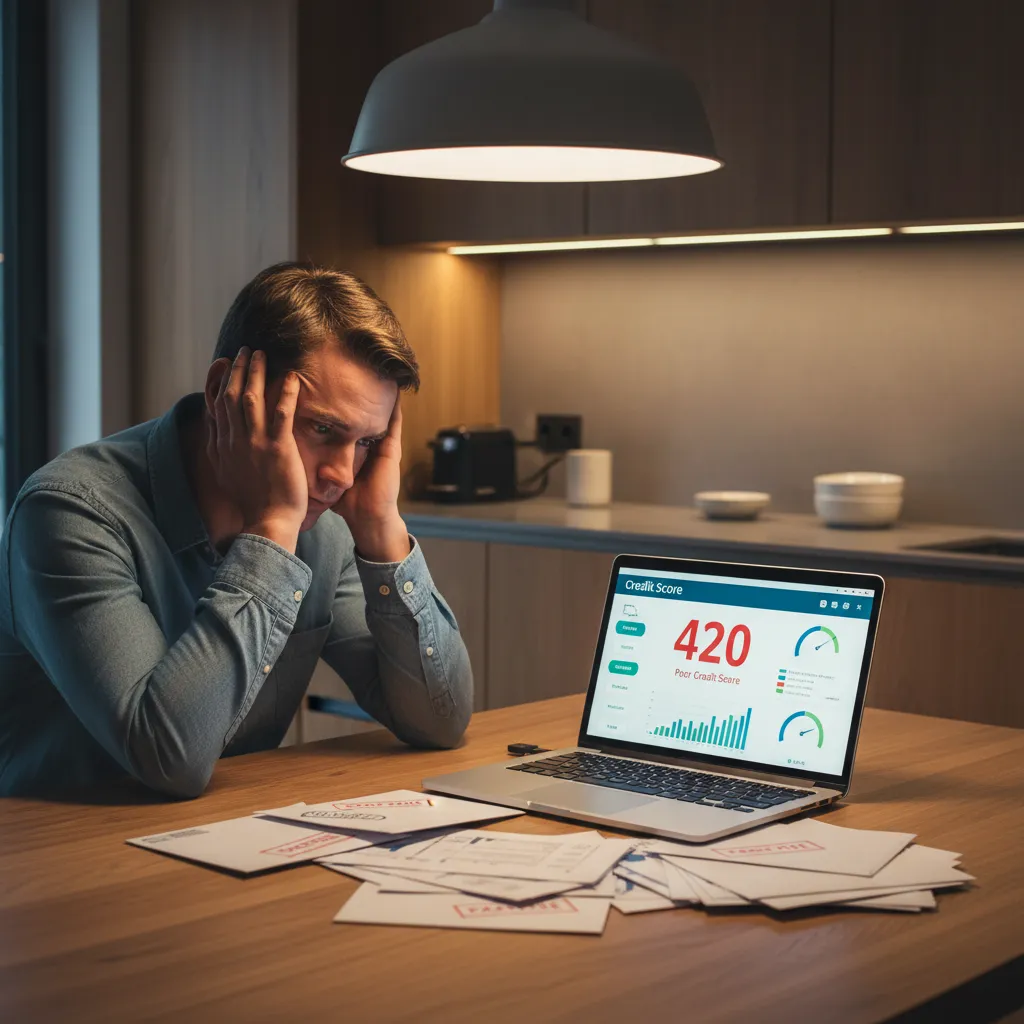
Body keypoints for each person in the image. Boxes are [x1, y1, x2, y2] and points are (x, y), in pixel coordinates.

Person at [0, 263, 473, 798]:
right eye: (321, 428)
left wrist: (383, 530)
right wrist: (271, 532)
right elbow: (167, 757)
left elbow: (441, 721)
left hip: (228, 842)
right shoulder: (69, 513)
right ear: (225, 391)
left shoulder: (328, 525)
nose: (342, 475)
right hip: (67, 858)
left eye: (366, 442)